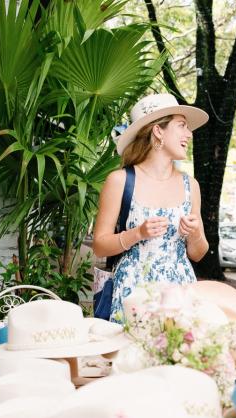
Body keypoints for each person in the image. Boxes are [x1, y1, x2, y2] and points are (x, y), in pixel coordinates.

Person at [93, 94, 210, 322]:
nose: (189, 134)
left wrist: (194, 234)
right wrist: (138, 233)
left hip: (180, 292)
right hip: (133, 292)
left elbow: (198, 253)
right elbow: (99, 245)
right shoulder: (120, 180)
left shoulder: (190, 186)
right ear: (158, 131)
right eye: (182, 125)